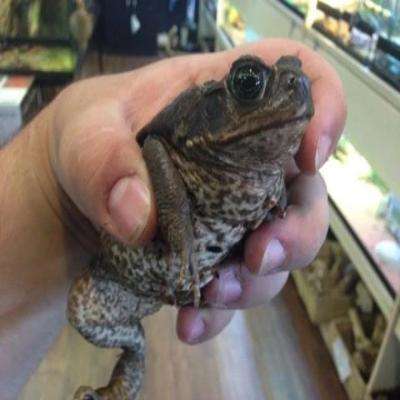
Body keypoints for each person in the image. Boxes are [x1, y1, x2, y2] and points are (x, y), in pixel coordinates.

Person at [0, 38, 346, 399]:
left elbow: (277, 217)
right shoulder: (194, 139)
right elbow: (154, 145)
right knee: (86, 311)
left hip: (185, 280)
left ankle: (133, 359)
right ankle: (134, 355)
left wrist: (275, 207)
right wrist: (176, 222)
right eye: (249, 83)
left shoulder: (273, 172)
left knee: (260, 259)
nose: (295, 87)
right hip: (124, 268)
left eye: (298, 81)